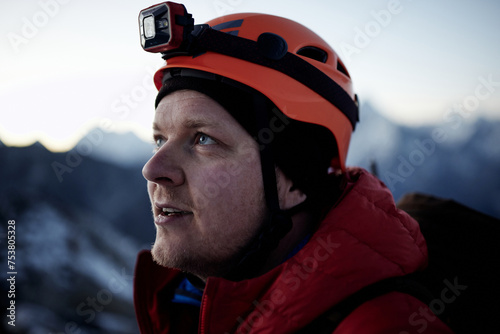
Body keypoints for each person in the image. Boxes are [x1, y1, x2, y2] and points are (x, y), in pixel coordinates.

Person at [134, 3, 454, 333]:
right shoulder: (178, 306)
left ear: (296, 180)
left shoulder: (384, 325)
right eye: (160, 139)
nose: (152, 169)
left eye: (203, 139)